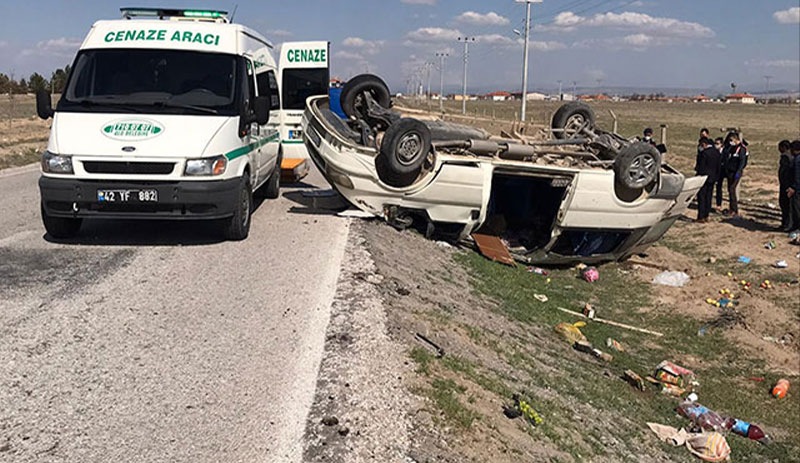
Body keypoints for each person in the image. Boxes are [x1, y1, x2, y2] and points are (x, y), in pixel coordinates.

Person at [695, 137, 721, 222]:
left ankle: (701, 216)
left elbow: (701, 167)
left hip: (704, 178)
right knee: (709, 197)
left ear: (704, 144)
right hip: (712, 178)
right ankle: (706, 215)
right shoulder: (716, 152)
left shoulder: (704, 153)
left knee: (701, 197)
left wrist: (698, 174)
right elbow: (718, 166)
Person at [722, 132, 748, 216]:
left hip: (736, 172)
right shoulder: (731, 148)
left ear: (736, 139)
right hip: (729, 171)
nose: (730, 142)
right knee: (730, 190)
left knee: (732, 189)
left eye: (731, 140)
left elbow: (742, 161)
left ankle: (735, 209)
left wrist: (739, 171)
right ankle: (731, 208)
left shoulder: (741, 149)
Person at [777, 140, 793, 230]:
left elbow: (786, 172)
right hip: (785, 184)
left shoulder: (786, 157)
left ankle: (786, 224)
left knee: (785, 205)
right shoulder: (789, 156)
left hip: (786, 185)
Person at [786, 140, 800, 234]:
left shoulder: (798, 160)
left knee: (796, 209)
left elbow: (797, 176)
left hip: (797, 189)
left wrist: (793, 188)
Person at [713, 136, 726, 211]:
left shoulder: (725, 152)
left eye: (717, 143)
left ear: (722, 145)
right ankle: (718, 204)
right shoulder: (714, 152)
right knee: (718, 187)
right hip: (716, 172)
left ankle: (720, 204)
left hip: (723, 171)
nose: (716, 145)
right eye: (715, 143)